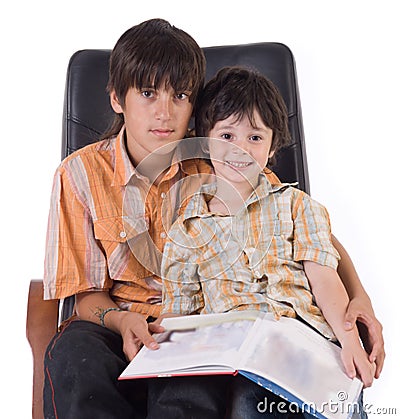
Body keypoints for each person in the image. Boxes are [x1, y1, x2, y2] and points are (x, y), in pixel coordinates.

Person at [42, 17, 384, 419]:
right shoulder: (79, 174)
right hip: (121, 322)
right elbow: (84, 297)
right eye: (148, 93)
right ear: (118, 98)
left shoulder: (222, 154)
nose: (165, 113)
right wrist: (120, 320)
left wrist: (360, 296)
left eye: (181, 95)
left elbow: (297, 220)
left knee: (192, 384)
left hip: (208, 322)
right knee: (74, 354)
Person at [161, 66, 376, 417]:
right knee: (250, 406)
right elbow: (179, 313)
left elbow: (324, 277)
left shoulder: (297, 206)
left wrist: (349, 338)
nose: (240, 149)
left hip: (307, 341)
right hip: (241, 352)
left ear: (273, 144)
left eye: (255, 138)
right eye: (227, 136)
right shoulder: (186, 228)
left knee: (338, 401)